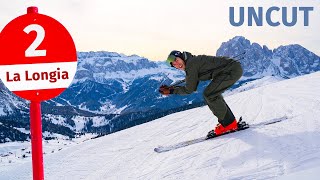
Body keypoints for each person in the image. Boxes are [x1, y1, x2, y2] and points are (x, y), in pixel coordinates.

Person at [159, 50, 243, 138]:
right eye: (173, 64)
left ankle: (228, 124)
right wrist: (172, 89)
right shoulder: (191, 62)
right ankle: (229, 122)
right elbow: (191, 82)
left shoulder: (191, 65)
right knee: (212, 94)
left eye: (176, 60)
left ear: (181, 57)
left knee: (210, 94)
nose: (176, 64)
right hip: (231, 69)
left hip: (231, 71)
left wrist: (171, 91)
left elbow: (189, 89)